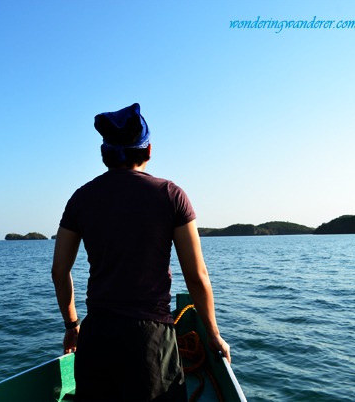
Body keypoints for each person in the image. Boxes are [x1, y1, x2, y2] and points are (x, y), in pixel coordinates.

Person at [51, 103, 230, 402]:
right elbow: (196, 277)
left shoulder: (81, 198)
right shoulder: (171, 195)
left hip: (97, 338)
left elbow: (59, 271)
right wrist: (213, 334)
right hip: (151, 342)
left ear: (105, 154)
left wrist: (72, 326)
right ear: (148, 151)